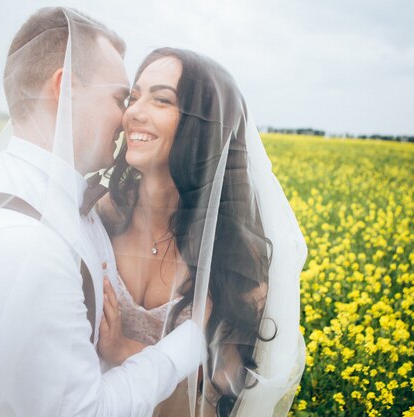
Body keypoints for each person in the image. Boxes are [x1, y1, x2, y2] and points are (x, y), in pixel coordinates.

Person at [0, 8, 206, 417]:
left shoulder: (62, 207)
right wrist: (187, 345)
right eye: (120, 98)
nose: (128, 115)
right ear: (64, 89)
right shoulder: (18, 247)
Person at [96, 48, 307, 417]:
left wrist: (123, 349)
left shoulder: (236, 255)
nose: (134, 112)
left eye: (161, 99)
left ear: (203, 126)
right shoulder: (103, 214)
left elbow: (220, 390)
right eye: (134, 96)